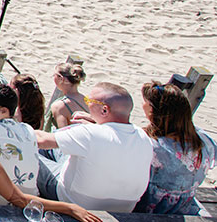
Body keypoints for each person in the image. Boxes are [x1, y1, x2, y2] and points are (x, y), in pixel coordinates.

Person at [33, 82, 153, 212]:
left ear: (104, 110)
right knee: (69, 141)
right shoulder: (144, 136)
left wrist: (16, 129)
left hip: (74, 200)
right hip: (124, 207)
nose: (86, 104)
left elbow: (41, 140)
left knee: (33, 152)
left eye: (89, 101)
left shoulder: (91, 133)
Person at [135, 82, 217, 215]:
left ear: (152, 110)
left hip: (150, 209)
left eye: (145, 102)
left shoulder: (153, 146)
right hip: (184, 206)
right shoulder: (203, 140)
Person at [45, 62, 89, 130]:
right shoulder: (88, 100)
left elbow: (63, 135)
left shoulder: (59, 106)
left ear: (61, 79)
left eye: (55, 75)